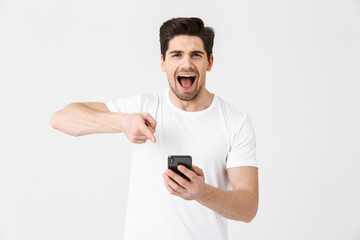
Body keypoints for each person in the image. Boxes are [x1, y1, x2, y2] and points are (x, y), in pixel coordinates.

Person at [50, 17, 259, 240]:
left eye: (196, 55)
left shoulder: (235, 121)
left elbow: (248, 208)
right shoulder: (143, 107)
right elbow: (61, 118)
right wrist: (122, 122)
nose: (186, 64)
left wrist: (203, 193)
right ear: (163, 62)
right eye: (176, 54)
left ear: (209, 62)